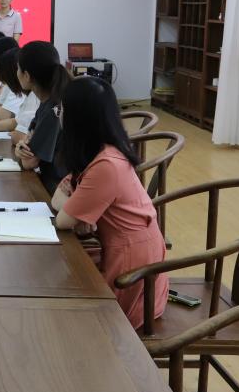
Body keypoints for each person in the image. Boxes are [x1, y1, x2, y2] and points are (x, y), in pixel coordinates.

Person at [50, 76, 169, 330]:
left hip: (132, 262)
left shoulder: (106, 164)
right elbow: (60, 195)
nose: (59, 115)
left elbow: (63, 219)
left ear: (77, 119)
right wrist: (74, 208)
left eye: (61, 110)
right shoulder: (98, 150)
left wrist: (70, 207)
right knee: (59, 280)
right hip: (121, 246)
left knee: (76, 313)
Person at [13, 41, 70, 194]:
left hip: (57, 189)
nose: (16, 73)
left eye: (18, 68)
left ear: (27, 76)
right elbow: (28, 141)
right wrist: (21, 148)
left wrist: (21, 151)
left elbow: (29, 162)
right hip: (57, 183)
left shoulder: (53, 110)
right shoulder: (51, 101)